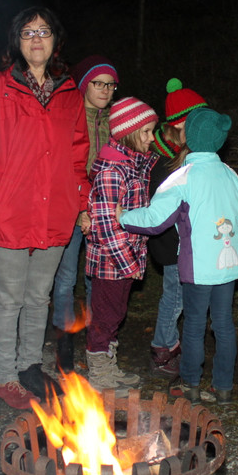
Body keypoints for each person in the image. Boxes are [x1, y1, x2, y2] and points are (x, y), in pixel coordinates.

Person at [0, 6, 90, 409]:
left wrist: (80, 201)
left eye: (44, 31)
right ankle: (6, 376)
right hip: (7, 215)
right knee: (9, 299)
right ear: (17, 41)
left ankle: (30, 366)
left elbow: (78, 156)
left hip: (54, 214)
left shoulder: (69, 94)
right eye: (28, 33)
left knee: (38, 297)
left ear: (55, 40)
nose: (36, 39)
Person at [119, 107, 238, 406]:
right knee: (224, 324)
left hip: (198, 266)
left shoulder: (182, 177)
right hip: (228, 263)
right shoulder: (230, 174)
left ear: (189, 137)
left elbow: (154, 219)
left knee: (194, 324)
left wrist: (123, 217)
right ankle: (223, 387)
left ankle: (190, 383)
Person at [48, 54, 118, 374]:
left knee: (97, 278)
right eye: (98, 83)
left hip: (103, 208)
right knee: (65, 277)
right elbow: (62, 166)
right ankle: (64, 344)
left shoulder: (115, 121)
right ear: (84, 84)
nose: (105, 90)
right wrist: (78, 209)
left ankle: (95, 344)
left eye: (110, 85)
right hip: (71, 206)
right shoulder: (69, 117)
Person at [84, 97, 158, 391]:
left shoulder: (133, 165)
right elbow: (107, 227)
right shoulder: (112, 173)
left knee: (115, 315)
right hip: (111, 263)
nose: (151, 138)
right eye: (146, 132)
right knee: (105, 317)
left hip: (125, 260)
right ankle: (99, 372)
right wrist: (129, 264)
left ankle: (108, 366)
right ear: (129, 133)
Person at [145, 78, 209, 379]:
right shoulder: (167, 162)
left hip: (182, 241)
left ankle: (170, 342)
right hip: (171, 243)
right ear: (178, 125)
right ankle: (163, 348)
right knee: (174, 297)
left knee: (177, 295)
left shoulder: (181, 154)